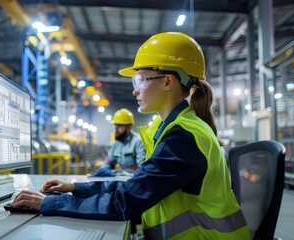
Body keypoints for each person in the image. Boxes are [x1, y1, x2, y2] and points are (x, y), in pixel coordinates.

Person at [12, 32, 251, 239]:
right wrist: (74, 188)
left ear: (168, 81)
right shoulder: (175, 129)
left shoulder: (183, 138)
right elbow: (135, 187)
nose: (135, 89)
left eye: (140, 79)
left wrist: (49, 203)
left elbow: (126, 202)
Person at [93, 108, 146, 176]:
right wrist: (103, 170)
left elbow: (142, 169)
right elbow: (109, 161)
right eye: (115, 125)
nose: (116, 129)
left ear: (129, 127)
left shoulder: (138, 142)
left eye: (119, 125)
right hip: (123, 178)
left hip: (135, 180)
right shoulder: (116, 144)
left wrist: (116, 173)